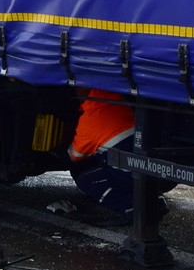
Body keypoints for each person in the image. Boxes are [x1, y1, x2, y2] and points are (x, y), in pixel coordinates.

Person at [69, 88, 166, 226]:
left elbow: (76, 156)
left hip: (128, 171)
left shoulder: (88, 119)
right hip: (150, 164)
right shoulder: (116, 98)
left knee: (86, 179)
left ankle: (128, 207)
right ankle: (157, 200)